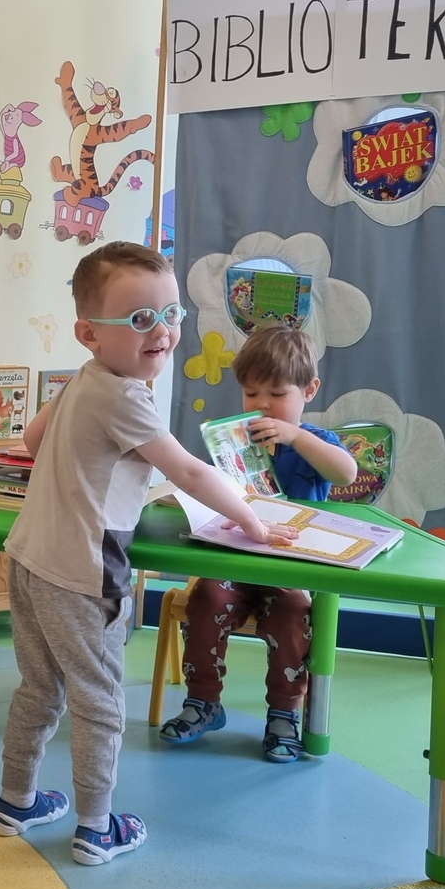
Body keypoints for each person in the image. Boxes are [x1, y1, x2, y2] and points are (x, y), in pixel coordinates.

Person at [0, 241, 298, 866]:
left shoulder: (85, 377)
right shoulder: (126, 396)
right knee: (100, 701)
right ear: (90, 333)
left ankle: (15, 800)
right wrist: (252, 520)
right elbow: (188, 471)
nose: (161, 331)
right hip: (82, 573)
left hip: (27, 558)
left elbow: (33, 438)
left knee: (39, 689)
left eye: (171, 314)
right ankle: (96, 827)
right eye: (139, 319)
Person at [159, 325, 357, 762]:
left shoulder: (315, 442)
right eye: (251, 393)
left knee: (292, 613)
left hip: (289, 567)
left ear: (309, 390)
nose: (262, 404)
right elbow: (210, 490)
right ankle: (203, 702)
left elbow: (346, 473)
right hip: (237, 560)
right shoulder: (235, 442)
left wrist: (296, 436)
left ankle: (284, 714)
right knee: (207, 598)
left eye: (277, 394)